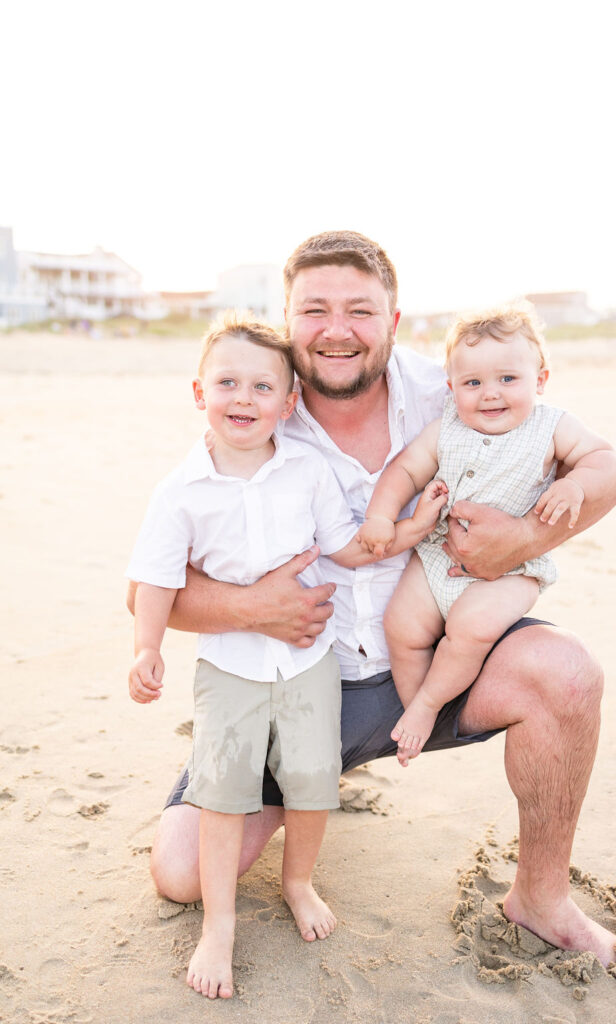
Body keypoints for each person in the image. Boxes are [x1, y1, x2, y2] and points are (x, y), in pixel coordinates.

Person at [127, 231, 616, 971]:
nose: (336, 329)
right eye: (315, 310)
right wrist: (249, 609)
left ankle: (541, 899)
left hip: (432, 666)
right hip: (296, 688)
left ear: (394, 321)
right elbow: (150, 590)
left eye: (359, 310)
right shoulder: (254, 410)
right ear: (288, 317)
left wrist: (521, 538)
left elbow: (611, 470)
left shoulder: (460, 388)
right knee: (177, 876)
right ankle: (314, 774)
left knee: (566, 673)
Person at [126, 314, 444, 1000]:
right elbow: (155, 578)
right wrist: (146, 648)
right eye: (227, 382)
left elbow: (345, 543)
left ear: (288, 402)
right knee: (222, 795)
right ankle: (219, 924)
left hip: (308, 664)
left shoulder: (304, 468)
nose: (243, 397)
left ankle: (298, 881)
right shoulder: (180, 490)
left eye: (261, 386)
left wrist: (411, 529)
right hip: (230, 670)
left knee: (309, 780)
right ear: (197, 391)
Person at [357, 303, 616, 766]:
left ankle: (427, 705)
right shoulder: (446, 429)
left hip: (510, 573)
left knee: (471, 629)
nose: (490, 394)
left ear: (539, 380)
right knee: (401, 627)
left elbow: (606, 459)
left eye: (508, 379)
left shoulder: (551, 426)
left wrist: (574, 482)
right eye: (473, 383)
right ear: (451, 388)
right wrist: (381, 515)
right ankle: (418, 705)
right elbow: (404, 471)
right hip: (437, 558)